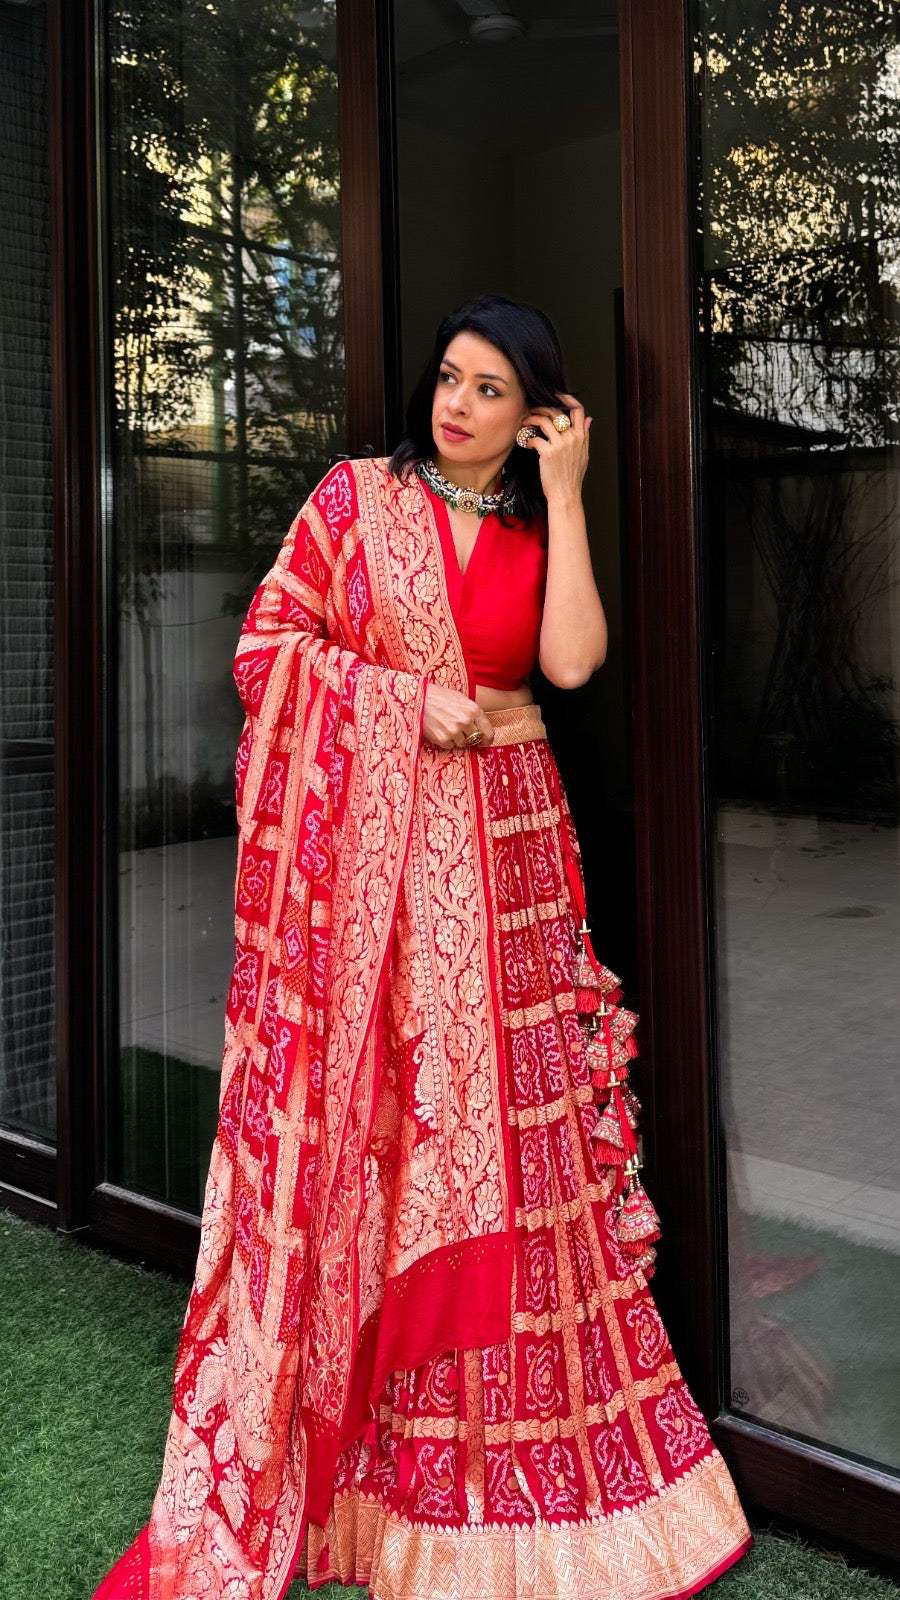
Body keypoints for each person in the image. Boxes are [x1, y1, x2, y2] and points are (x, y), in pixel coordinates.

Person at [93, 293, 753, 1600]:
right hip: (374, 881)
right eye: (449, 379)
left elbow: (569, 664)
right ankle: (370, 1457)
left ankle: (509, 1458)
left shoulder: (525, 518)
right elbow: (269, 650)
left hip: (507, 855)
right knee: (400, 1118)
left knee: (512, 1134)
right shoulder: (353, 502)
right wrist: (409, 705)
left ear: (534, 417)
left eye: (491, 390)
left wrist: (567, 498)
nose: (456, 404)